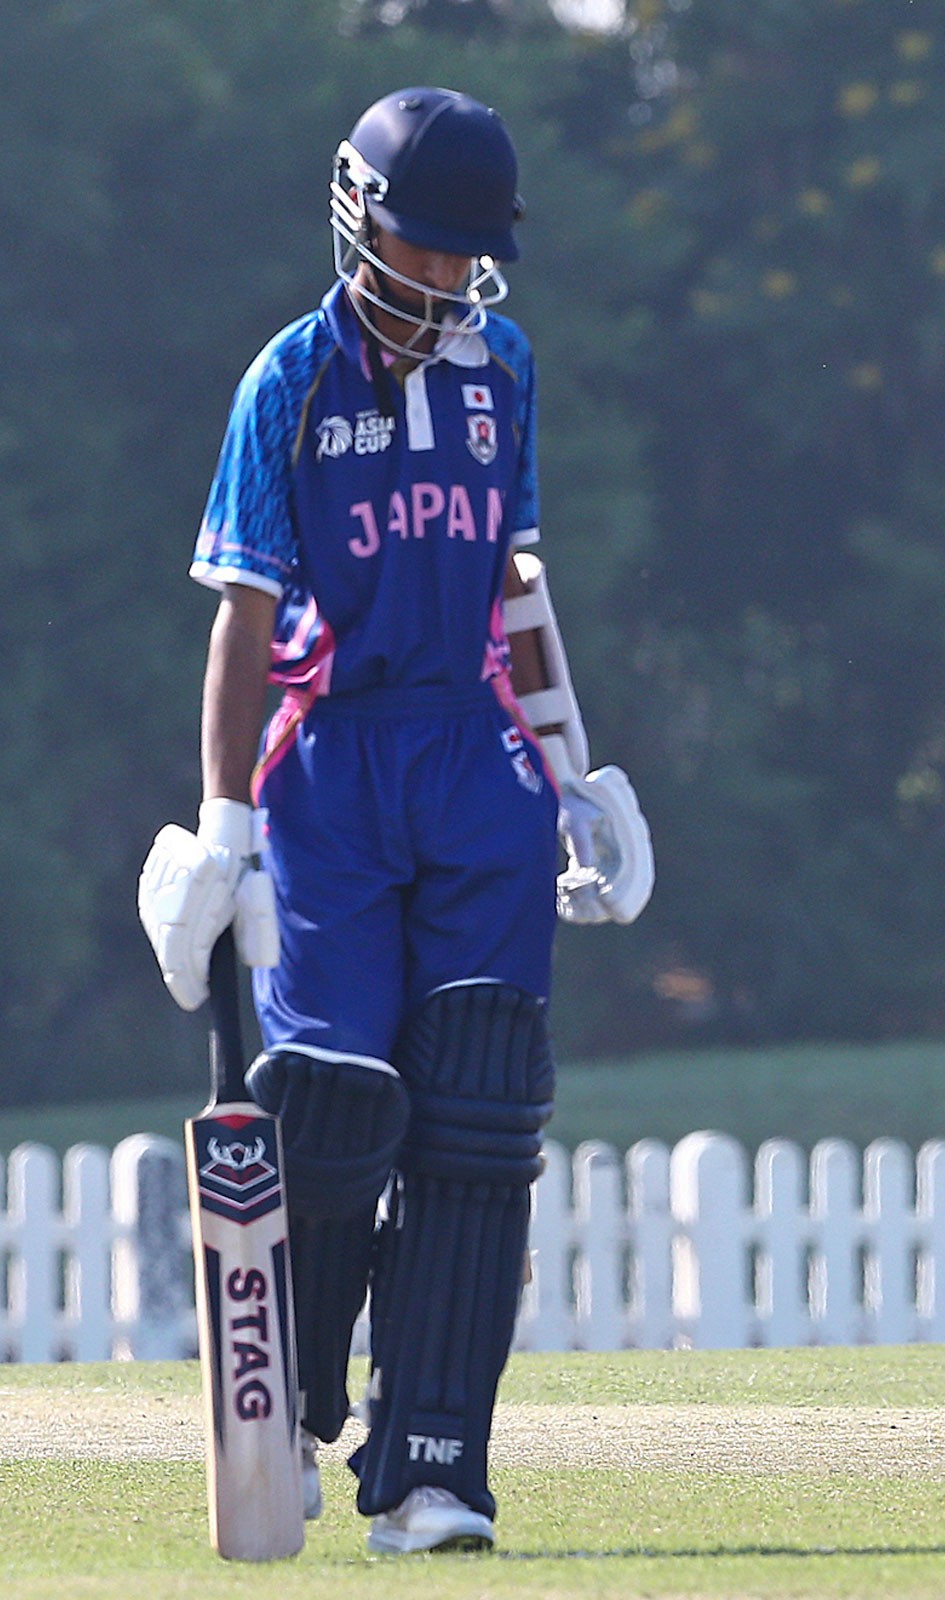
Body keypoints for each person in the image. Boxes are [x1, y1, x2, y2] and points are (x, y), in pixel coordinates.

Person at [137, 87, 653, 1552]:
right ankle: (293, 1422)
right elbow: (242, 621)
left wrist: (577, 770)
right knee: (339, 1107)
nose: (441, 283)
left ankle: (434, 1466)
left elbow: (515, 587)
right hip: (331, 772)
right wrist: (224, 827)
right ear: (359, 221)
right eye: (420, 253)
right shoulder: (285, 383)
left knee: (483, 1109)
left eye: (462, 260)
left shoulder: (509, 372)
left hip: (475, 763)